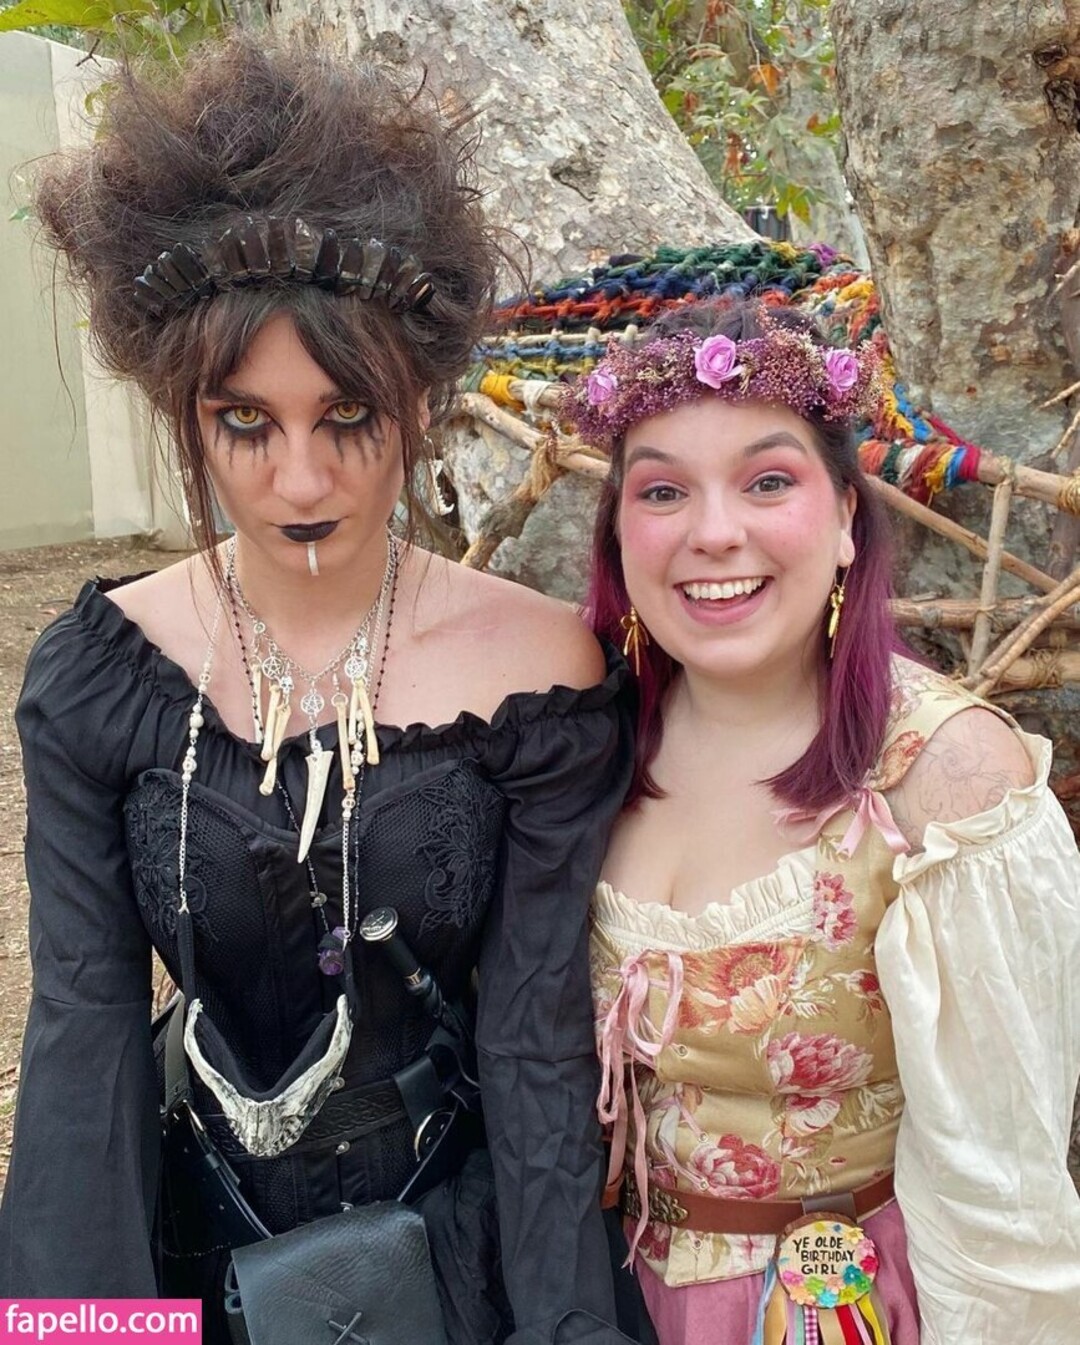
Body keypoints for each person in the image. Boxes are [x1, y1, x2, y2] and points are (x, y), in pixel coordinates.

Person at [0, 36, 639, 1345]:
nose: (300, 480)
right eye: (246, 422)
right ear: (188, 415)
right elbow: (83, 1035)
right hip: (192, 1250)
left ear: (419, 402)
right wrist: (84, 1328)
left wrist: (565, 1329)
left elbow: (532, 1041)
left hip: (461, 1261)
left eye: (347, 416)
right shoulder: (100, 676)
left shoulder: (541, 678)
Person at [563, 301, 1080, 1344]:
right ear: (619, 531)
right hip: (612, 1298)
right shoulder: (584, 744)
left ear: (847, 516)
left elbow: (1004, 1192)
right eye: (662, 490)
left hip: (838, 1308)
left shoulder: (944, 781)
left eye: (767, 481)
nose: (715, 532)